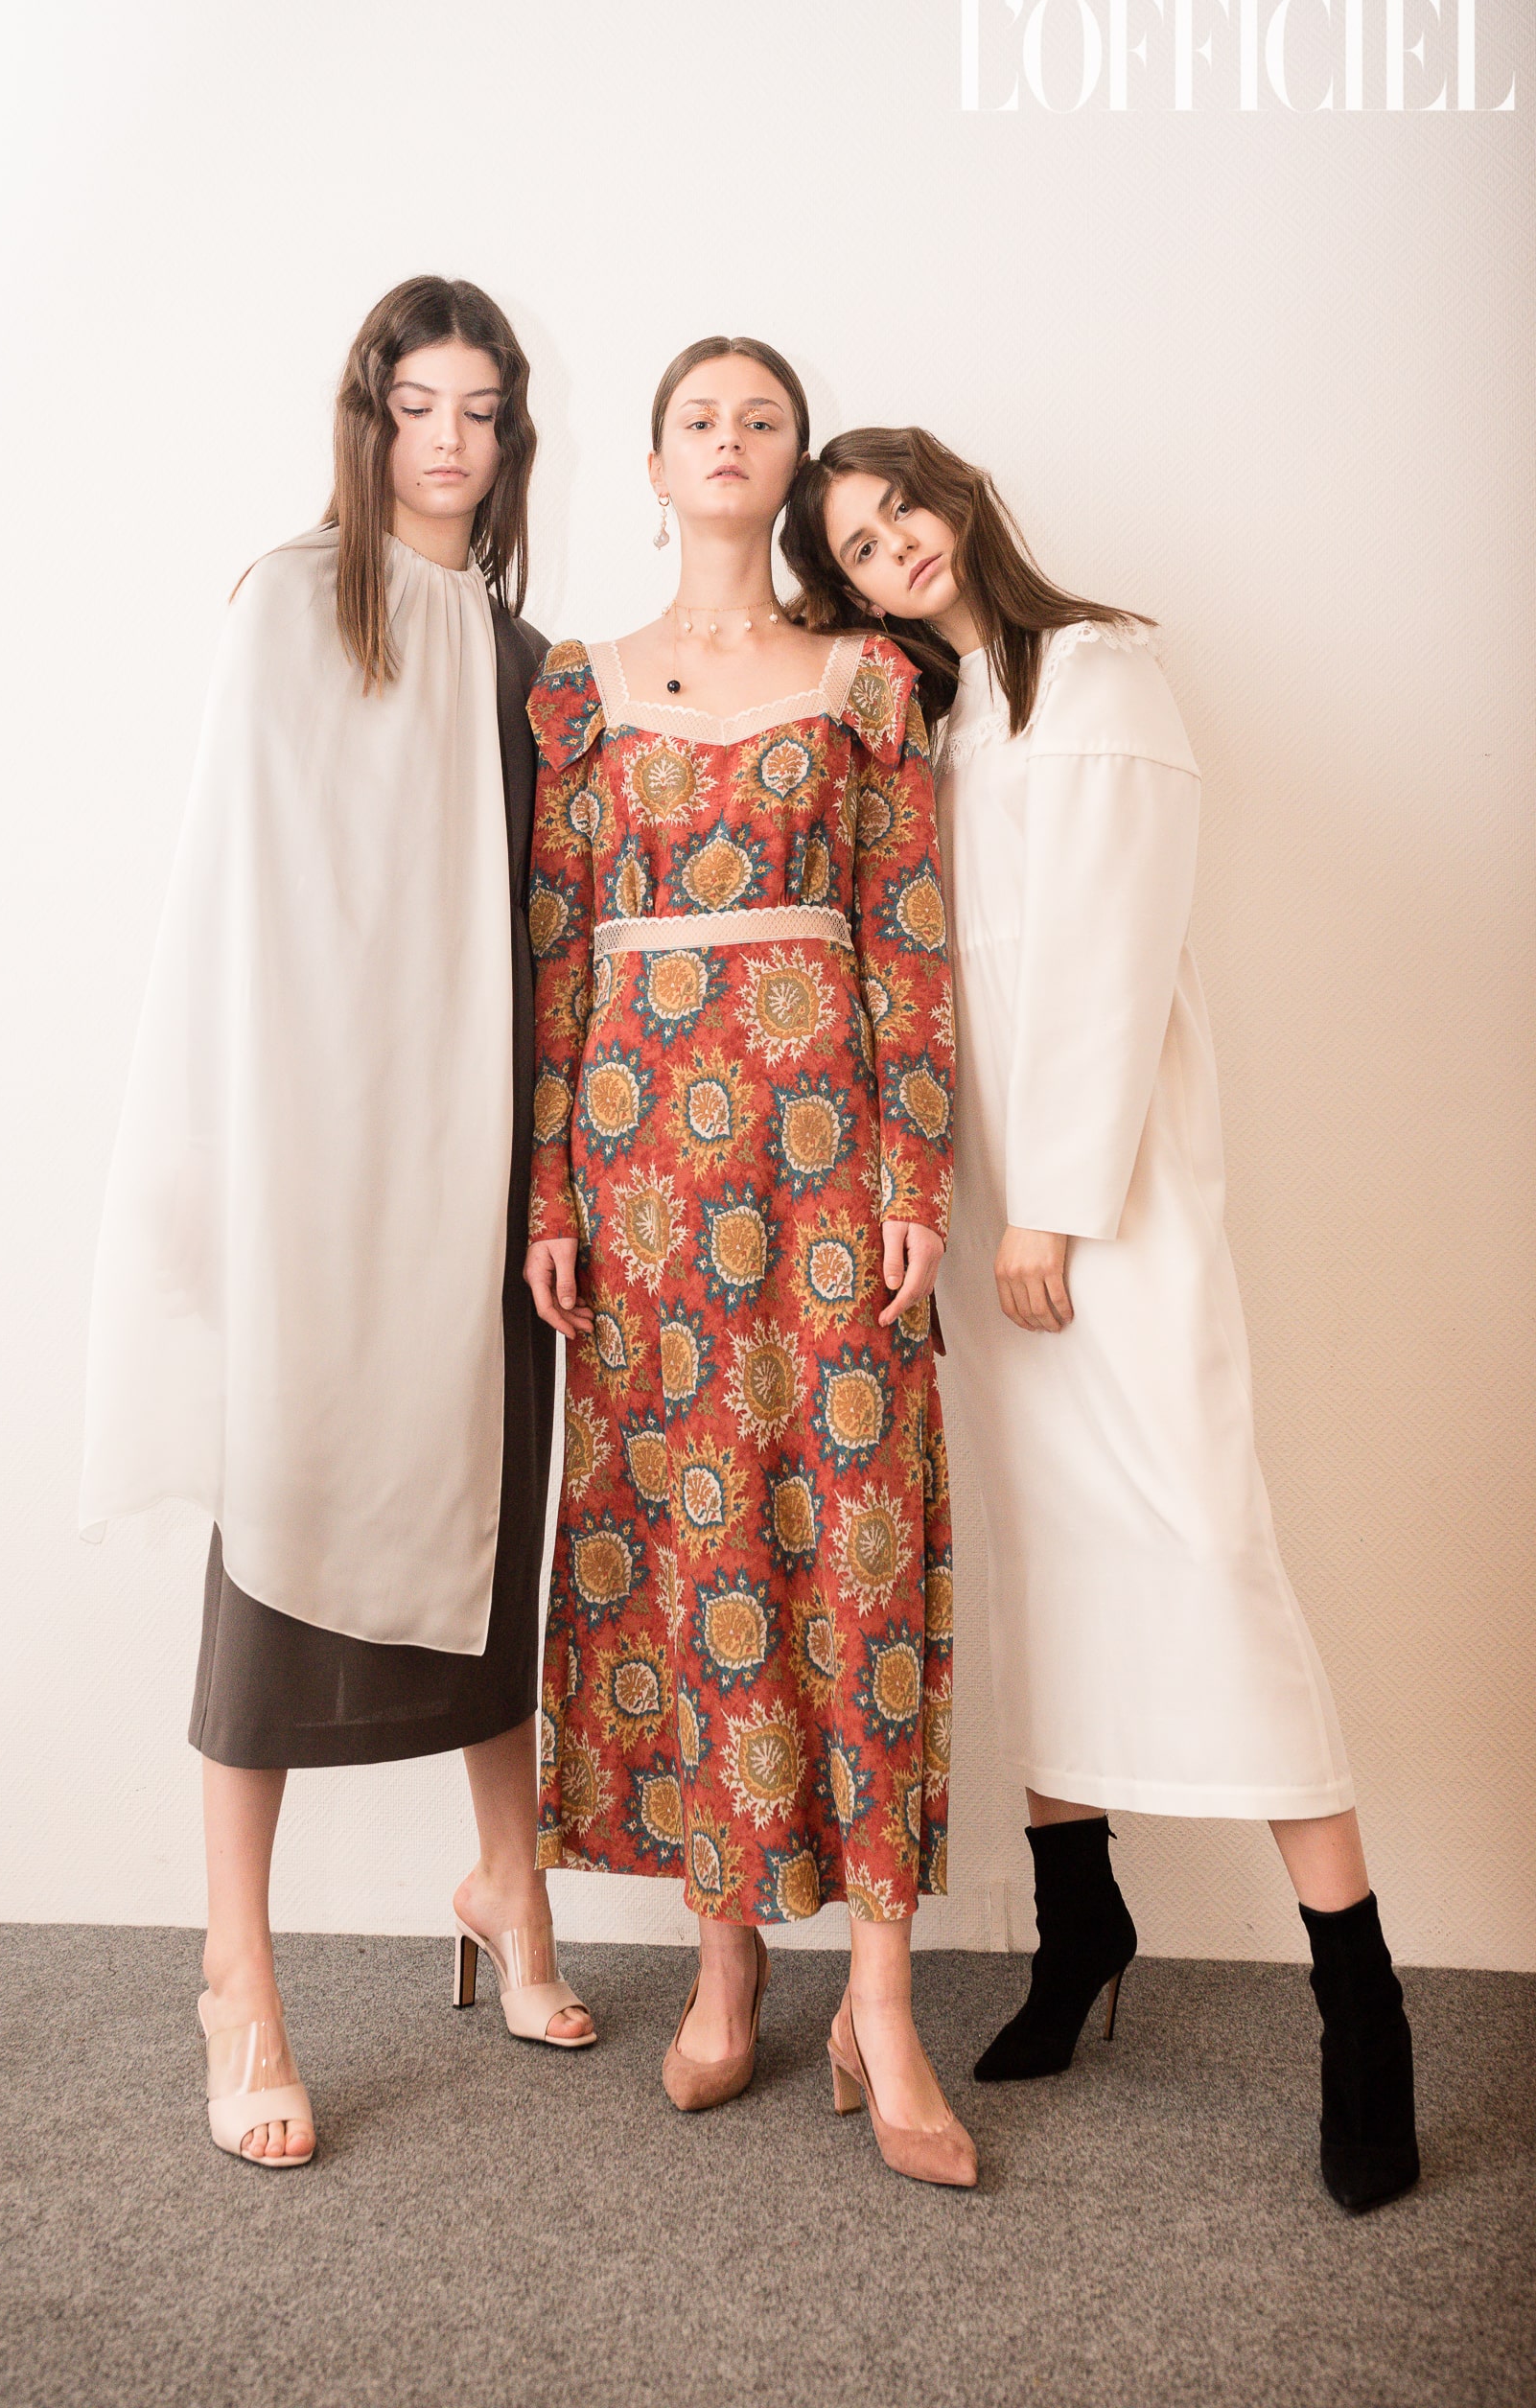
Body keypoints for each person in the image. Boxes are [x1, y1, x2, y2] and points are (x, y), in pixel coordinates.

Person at [780, 426, 1419, 2214]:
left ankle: (1361, 2003)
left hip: (1095, 1194)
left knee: (1207, 1547)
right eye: (854, 547)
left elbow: (1116, 954)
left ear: (959, 496)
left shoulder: (1098, 672)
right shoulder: (929, 716)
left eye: (900, 511)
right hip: (976, 1195)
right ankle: (1079, 1926)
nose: (891, 550)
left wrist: (1054, 1204)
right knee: (1036, 1560)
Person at [81, 275, 593, 2171]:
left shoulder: (534, 661)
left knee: (488, 1531)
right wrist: (232, 1161)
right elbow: (234, 894)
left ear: (511, 438)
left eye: (481, 411)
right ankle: (239, 1976)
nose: (448, 441)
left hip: (482, 1161)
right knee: (279, 1553)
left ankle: (506, 1885)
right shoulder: (291, 603)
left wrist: (545, 1174)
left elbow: (549, 934)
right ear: (367, 419)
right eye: (417, 405)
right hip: (319, 1156)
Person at [523, 339, 974, 2186]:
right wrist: (547, 1200)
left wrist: (916, 1169)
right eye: (698, 419)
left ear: (790, 467)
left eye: (760, 420)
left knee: (853, 1548)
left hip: (825, 1166)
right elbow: (557, 955)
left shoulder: (866, 683)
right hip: (638, 1182)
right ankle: (725, 1964)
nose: (727, 440)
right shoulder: (576, 690)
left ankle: (881, 1998)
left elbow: (910, 933)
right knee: (693, 1544)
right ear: (652, 465)